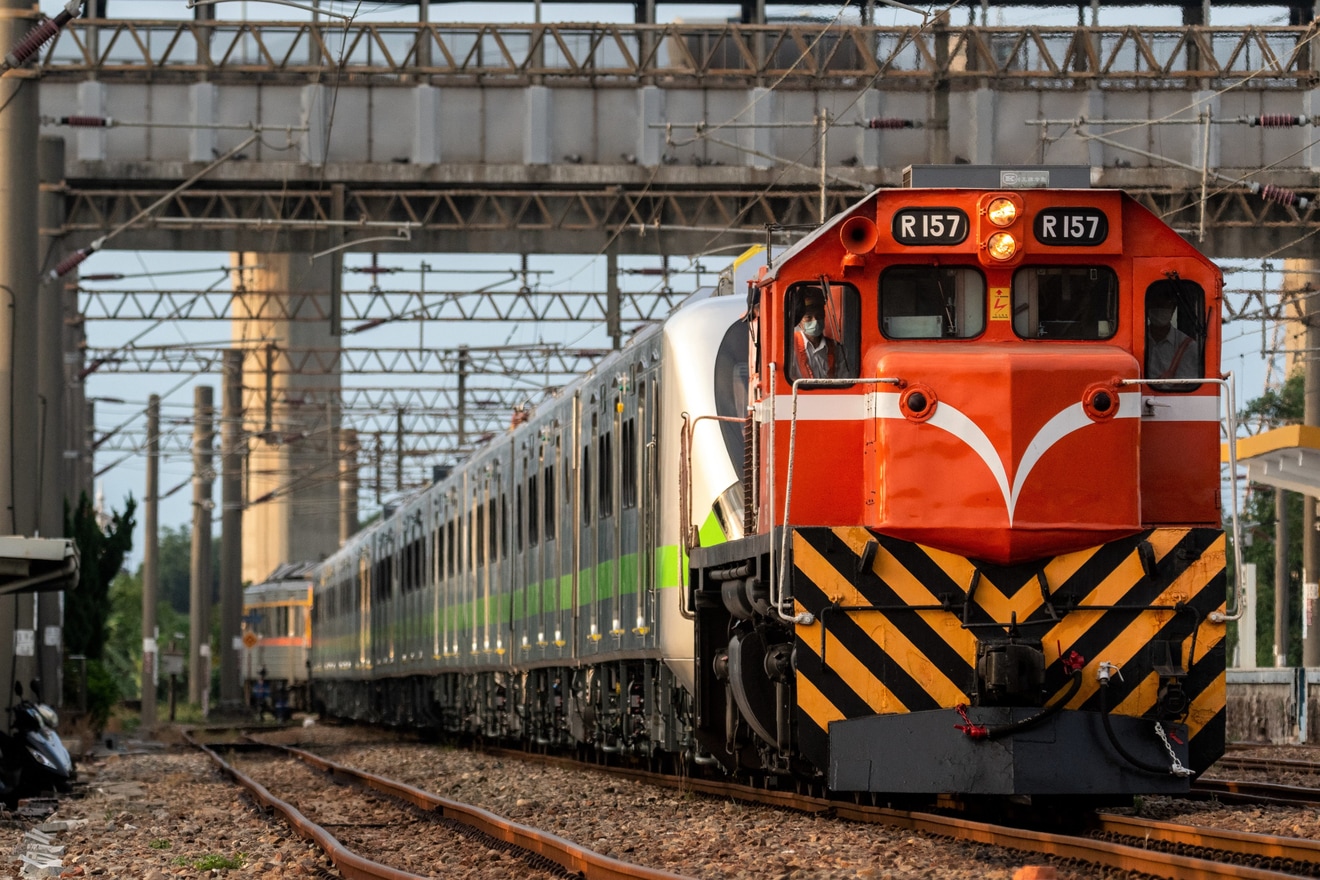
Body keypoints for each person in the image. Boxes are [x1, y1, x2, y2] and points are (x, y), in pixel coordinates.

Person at [1145, 286, 1199, 381]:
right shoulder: (1135, 340)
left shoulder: (1188, 346)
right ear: (1147, 308)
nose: (1159, 310)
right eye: (1155, 305)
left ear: (1173, 309)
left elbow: (1189, 384)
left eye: (1164, 306)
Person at [788, 293, 843, 381]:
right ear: (799, 322)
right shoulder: (789, 347)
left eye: (819, 316)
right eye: (808, 317)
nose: (815, 321)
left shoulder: (836, 348)